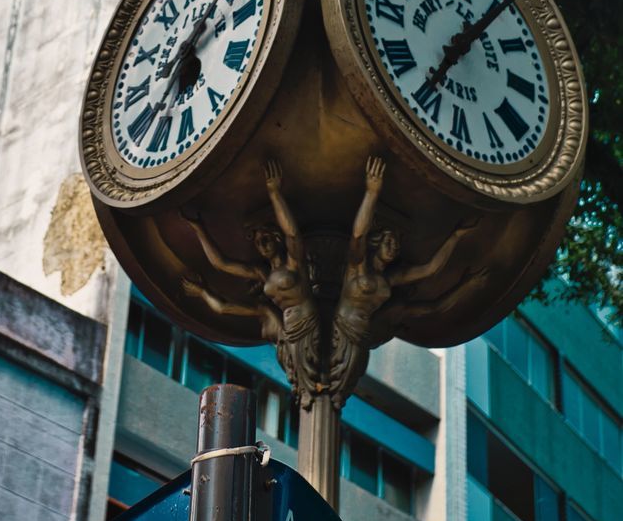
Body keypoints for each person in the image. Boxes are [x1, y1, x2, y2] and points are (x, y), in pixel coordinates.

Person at [329, 156, 481, 407]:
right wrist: (371, 192)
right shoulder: (357, 266)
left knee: (339, 394)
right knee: (331, 393)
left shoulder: (391, 278)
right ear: (377, 242)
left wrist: (457, 236)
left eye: (396, 243)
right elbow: (358, 234)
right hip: (340, 331)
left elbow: (429, 269)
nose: (394, 246)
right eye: (389, 241)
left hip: (361, 336)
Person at [181, 160, 322, 407]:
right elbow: (222, 264)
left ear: (276, 238)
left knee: (315, 380)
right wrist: (198, 228)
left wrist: (275, 192)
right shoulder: (261, 272)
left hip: (308, 323)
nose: (262, 243)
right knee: (266, 313)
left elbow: (292, 234)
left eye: (265, 237)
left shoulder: (294, 262)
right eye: (257, 241)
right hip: (285, 331)